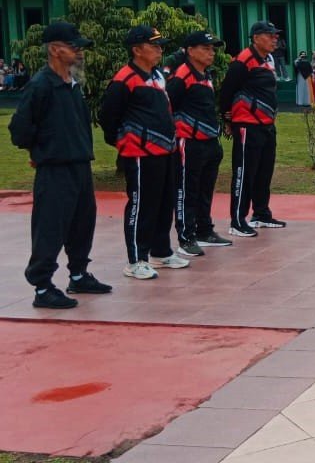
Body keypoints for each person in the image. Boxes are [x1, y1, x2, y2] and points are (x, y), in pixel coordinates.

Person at [8, 22, 111, 308]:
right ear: (55, 49)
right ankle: (42, 286)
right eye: (73, 47)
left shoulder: (72, 83)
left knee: (82, 222)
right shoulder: (41, 85)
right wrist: (38, 149)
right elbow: (20, 128)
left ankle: (78, 274)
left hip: (79, 164)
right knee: (50, 226)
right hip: (54, 168)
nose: (79, 52)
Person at [100, 26, 188, 280]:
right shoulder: (124, 79)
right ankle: (136, 259)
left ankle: (161, 252)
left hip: (166, 150)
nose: (160, 50)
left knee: (164, 202)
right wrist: (123, 141)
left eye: (161, 45)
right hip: (140, 153)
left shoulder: (158, 76)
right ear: (136, 50)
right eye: (154, 45)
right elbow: (108, 116)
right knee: (142, 205)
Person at [167, 31, 234, 257]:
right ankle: (186, 236)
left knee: (206, 189)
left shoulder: (205, 75)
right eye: (206, 48)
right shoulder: (182, 76)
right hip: (189, 142)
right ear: (190, 51)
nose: (211, 53)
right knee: (187, 191)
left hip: (209, 142)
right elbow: (169, 107)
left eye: (212, 49)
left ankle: (205, 230)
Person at [220, 20, 286, 237]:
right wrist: (228, 120)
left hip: (266, 125)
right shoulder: (242, 61)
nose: (274, 38)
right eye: (270, 35)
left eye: (275, 35)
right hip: (247, 125)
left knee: (264, 171)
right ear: (256, 38)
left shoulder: (268, 59)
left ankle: (261, 214)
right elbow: (226, 92)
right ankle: (237, 220)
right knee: (245, 172)